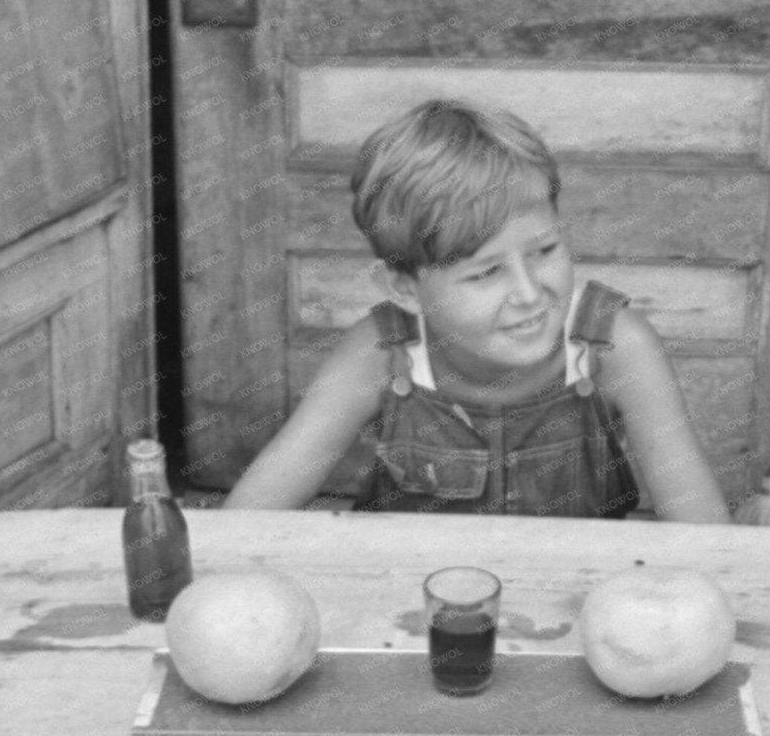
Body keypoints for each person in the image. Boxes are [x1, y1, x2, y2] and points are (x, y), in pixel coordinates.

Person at [225, 98, 731, 524]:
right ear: (405, 287)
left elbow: (704, 536)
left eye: (545, 251)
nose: (530, 293)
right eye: (486, 273)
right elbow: (249, 521)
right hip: (418, 615)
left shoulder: (613, 346)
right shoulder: (382, 355)